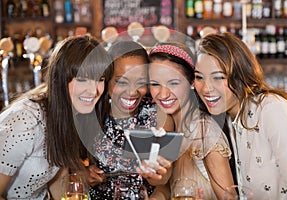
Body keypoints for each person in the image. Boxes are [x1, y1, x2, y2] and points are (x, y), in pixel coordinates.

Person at [0, 35, 111, 200]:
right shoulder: (26, 122)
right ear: (60, 78)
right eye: (82, 79)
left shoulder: (67, 113)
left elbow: (58, 175)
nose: (94, 91)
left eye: (100, 80)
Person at [194, 32, 287, 199]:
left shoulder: (272, 109)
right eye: (199, 77)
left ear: (239, 74)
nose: (206, 88)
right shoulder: (228, 119)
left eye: (218, 77)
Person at [148, 41, 235, 200]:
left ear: (191, 82)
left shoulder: (205, 131)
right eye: (155, 84)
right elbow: (167, 188)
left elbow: (229, 197)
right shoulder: (170, 127)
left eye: (173, 83)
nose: (163, 94)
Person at [87, 40, 173, 199]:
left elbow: (166, 183)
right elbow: (71, 172)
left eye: (140, 82)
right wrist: (85, 175)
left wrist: (159, 178)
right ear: (107, 80)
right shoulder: (91, 113)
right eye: (121, 81)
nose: (132, 92)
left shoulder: (159, 115)